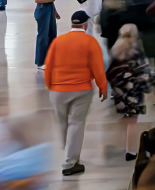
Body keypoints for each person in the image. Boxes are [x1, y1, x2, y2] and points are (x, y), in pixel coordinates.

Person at [44, 10, 108, 176]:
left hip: (57, 90)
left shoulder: (58, 41)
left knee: (63, 123)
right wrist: (103, 87)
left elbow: (48, 65)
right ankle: (70, 162)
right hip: (81, 90)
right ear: (86, 24)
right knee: (76, 123)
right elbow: (98, 67)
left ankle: (69, 151)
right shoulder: (90, 41)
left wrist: (50, 86)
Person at [107, 25, 152, 160]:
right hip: (134, 92)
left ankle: (122, 143)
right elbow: (144, 72)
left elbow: (109, 73)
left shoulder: (115, 51)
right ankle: (131, 151)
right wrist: (146, 88)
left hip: (119, 93)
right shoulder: (136, 51)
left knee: (125, 119)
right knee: (132, 122)